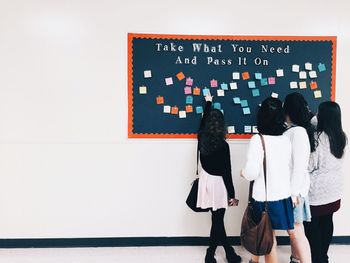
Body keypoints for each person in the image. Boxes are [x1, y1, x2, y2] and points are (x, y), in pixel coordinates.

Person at [241, 97, 294, 263]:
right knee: (266, 233)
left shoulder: (258, 139)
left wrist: (242, 172)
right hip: (282, 196)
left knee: (269, 240)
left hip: (264, 198)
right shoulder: (285, 140)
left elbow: (251, 173)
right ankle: (254, 260)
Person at [197, 94, 241, 263]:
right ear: (223, 125)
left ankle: (221, 253)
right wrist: (232, 194)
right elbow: (226, 171)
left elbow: (202, 123)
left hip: (206, 181)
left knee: (216, 219)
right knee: (218, 219)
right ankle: (220, 253)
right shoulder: (224, 146)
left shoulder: (201, 137)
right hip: (219, 184)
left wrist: (208, 102)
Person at [304, 101, 347, 263]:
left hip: (317, 190)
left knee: (312, 226)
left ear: (323, 116)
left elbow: (309, 165)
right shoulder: (340, 135)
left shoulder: (317, 138)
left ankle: (318, 258)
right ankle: (324, 256)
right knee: (327, 222)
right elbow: (316, 121)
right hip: (334, 189)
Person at [283, 92, 314, 263]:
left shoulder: (298, 132)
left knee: (296, 230)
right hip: (293, 190)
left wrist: (293, 193)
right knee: (294, 230)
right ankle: (295, 259)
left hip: (295, 192)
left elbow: (299, 166)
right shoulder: (293, 131)